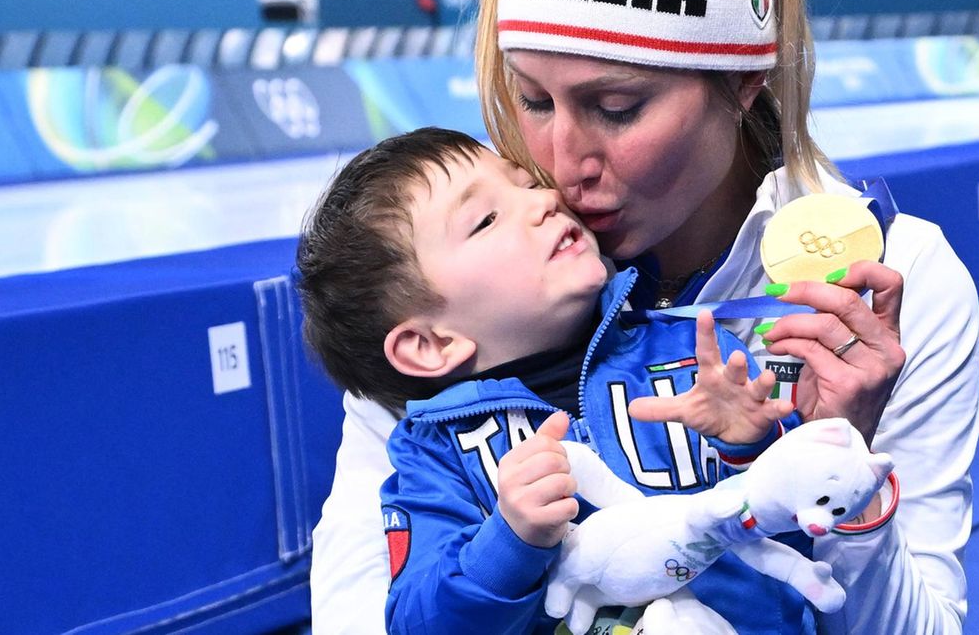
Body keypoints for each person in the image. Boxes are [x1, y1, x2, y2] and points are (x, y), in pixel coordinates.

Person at [309, 0, 979, 633]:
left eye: (617, 108)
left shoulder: (890, 281)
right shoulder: (451, 299)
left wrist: (844, 466)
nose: (558, 165)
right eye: (531, 100)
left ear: (742, 80)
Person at [297, 126, 823, 633]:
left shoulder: (700, 357)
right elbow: (418, 623)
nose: (542, 201)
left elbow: (802, 550)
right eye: (485, 220)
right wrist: (510, 540)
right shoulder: (435, 457)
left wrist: (754, 449)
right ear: (430, 345)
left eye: (526, 182)